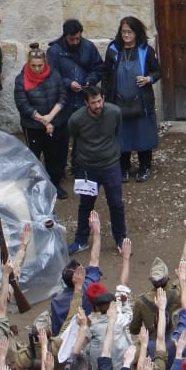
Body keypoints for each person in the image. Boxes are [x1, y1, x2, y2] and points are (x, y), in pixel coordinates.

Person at [67, 83, 126, 255]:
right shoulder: (76, 119)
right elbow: (75, 138)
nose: (98, 105)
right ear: (86, 103)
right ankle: (81, 240)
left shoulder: (115, 113)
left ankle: (120, 239)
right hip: (87, 168)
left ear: (104, 99)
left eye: (100, 101)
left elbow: (116, 132)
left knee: (116, 204)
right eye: (93, 103)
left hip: (111, 165)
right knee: (85, 205)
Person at [103, 16, 161, 183]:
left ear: (137, 33)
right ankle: (124, 167)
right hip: (118, 100)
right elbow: (105, 73)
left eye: (129, 32)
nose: (126, 35)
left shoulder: (146, 50)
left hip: (141, 100)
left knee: (143, 134)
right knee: (122, 135)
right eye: (123, 32)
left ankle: (145, 166)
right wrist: (104, 94)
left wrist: (148, 79)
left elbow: (157, 72)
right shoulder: (113, 50)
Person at [13, 41, 67, 197]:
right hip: (33, 126)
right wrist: (44, 121)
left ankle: (55, 185)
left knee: (54, 157)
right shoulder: (21, 79)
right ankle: (35, 188)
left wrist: (50, 117)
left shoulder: (55, 75)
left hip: (53, 122)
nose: (37, 69)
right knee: (34, 157)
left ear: (45, 63)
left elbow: (63, 96)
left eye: (40, 65)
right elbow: (23, 105)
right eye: (34, 66)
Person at [46, 19, 104, 118]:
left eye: (78, 38)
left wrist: (91, 79)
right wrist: (68, 83)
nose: (75, 42)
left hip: (85, 99)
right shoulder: (54, 51)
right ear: (65, 36)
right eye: (71, 39)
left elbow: (99, 68)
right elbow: (51, 75)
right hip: (64, 101)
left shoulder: (88, 46)